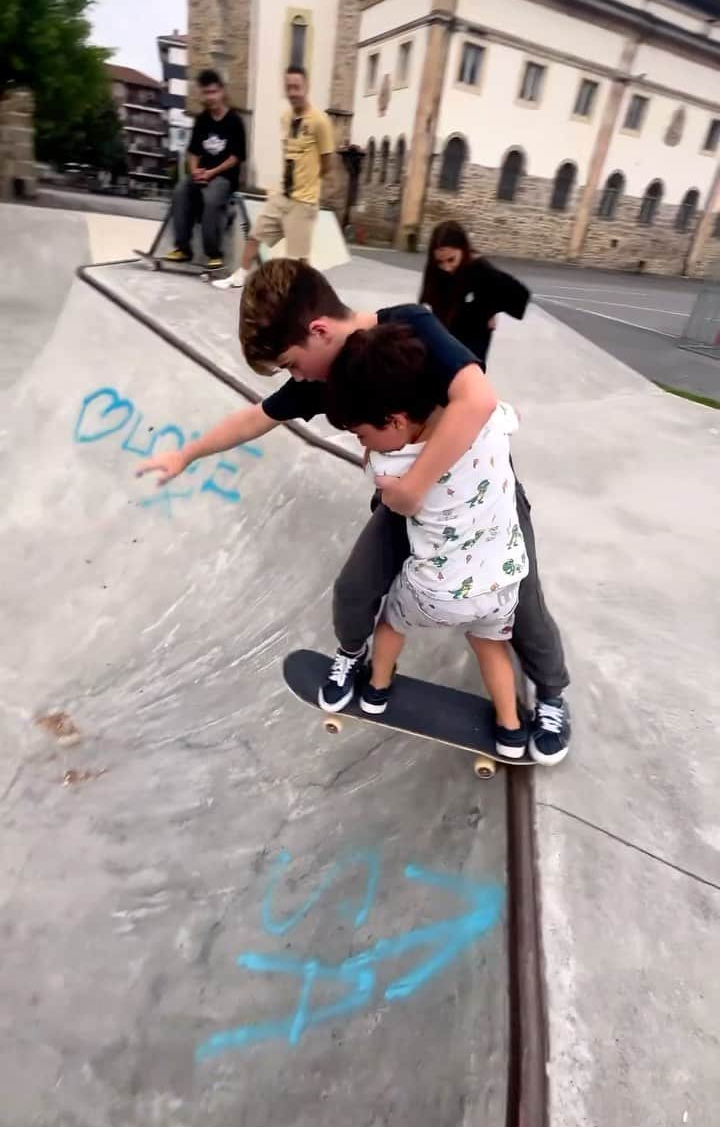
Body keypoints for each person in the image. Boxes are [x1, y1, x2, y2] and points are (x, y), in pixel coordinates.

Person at [136, 258, 570, 764]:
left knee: (525, 599)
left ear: (319, 331)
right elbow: (257, 417)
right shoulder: (318, 380)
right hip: (406, 505)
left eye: (292, 364)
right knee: (356, 585)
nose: (296, 377)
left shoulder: (411, 326)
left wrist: (414, 485)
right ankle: (351, 655)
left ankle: (552, 694)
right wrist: (187, 454)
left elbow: (477, 398)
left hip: (481, 496)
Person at [326, 323, 531, 758]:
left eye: (362, 434)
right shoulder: (493, 422)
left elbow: (391, 496)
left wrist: (375, 455)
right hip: (504, 582)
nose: (363, 445)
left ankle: (377, 689)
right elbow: (498, 408)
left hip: (436, 590)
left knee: (390, 622)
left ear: (396, 420)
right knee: (491, 647)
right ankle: (511, 730)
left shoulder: (391, 465)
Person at [213, 65, 334, 290]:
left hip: (304, 200)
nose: (293, 92)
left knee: (297, 259)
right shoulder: (286, 118)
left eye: (297, 87)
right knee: (255, 234)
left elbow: (327, 163)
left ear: (306, 87)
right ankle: (239, 277)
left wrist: (310, 183)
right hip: (282, 194)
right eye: (289, 87)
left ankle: (306, 296)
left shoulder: (320, 122)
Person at [165, 69, 247, 274]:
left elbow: (236, 157)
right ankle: (183, 248)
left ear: (221, 92)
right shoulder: (202, 120)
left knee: (211, 199)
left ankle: (214, 253)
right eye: (206, 93)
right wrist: (194, 172)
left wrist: (211, 173)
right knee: (181, 190)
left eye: (213, 92)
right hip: (203, 174)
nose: (210, 98)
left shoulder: (234, 121)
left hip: (224, 177)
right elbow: (193, 152)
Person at [420, 220, 530, 369]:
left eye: (451, 259)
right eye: (440, 261)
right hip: (444, 339)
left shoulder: (481, 269)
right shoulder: (434, 270)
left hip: (471, 346)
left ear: (463, 250)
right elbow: (428, 300)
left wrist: (492, 309)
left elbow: (519, 294)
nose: (446, 267)